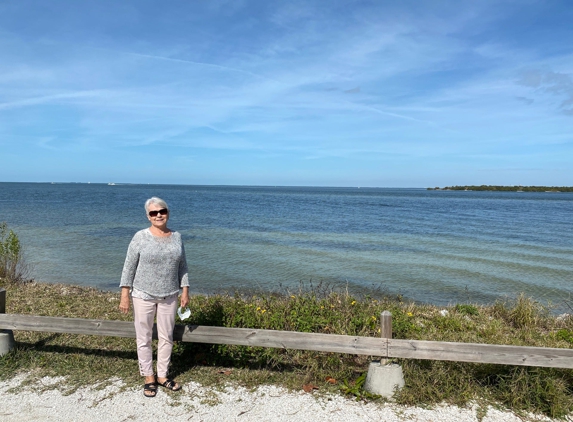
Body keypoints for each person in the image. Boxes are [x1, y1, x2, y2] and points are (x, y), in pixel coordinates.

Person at [119, 197, 190, 398]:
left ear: (168, 212)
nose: (158, 215)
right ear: (148, 216)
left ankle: (162, 375)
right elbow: (129, 266)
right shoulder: (140, 237)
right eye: (153, 213)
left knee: (167, 336)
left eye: (162, 211)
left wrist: (185, 289)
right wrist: (125, 294)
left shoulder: (177, 236)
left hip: (170, 294)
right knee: (144, 337)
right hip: (143, 294)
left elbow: (182, 265)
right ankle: (148, 377)